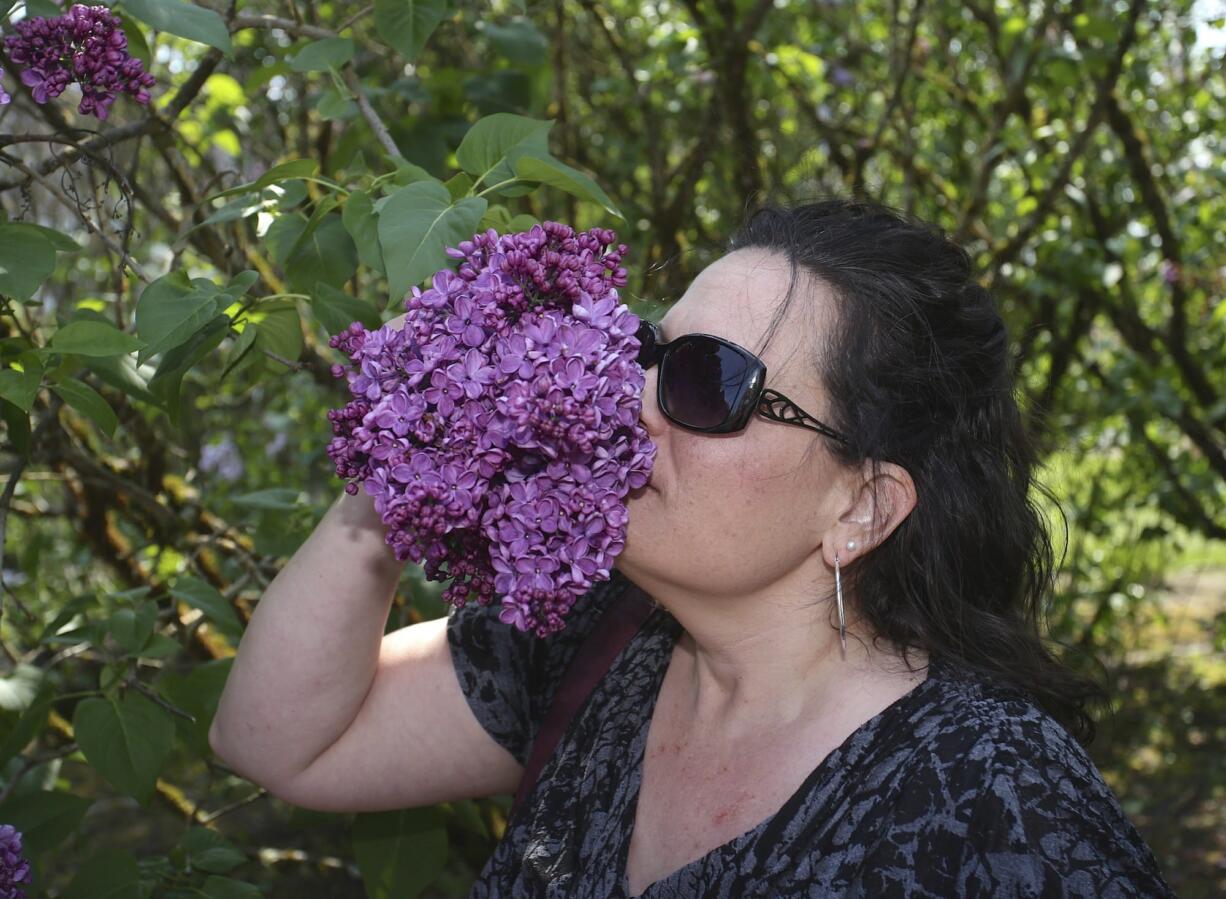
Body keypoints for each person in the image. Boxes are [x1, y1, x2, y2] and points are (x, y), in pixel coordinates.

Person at [209, 198, 1176, 897]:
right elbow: (279, 742)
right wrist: (405, 459)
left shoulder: (997, 806)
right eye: (642, 351)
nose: (629, 404)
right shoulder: (593, 641)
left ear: (863, 508)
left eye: (709, 381)